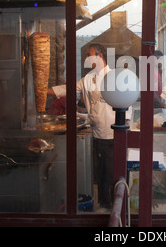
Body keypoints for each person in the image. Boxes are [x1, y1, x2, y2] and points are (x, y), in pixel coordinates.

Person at [48, 43, 116, 210]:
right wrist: (45, 91)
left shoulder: (114, 77)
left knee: (111, 173)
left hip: (113, 135)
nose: (86, 58)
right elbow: (68, 89)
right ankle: (104, 205)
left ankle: (114, 207)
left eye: (89, 55)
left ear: (100, 57)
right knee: (100, 174)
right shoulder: (88, 79)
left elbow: (124, 106)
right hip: (97, 133)